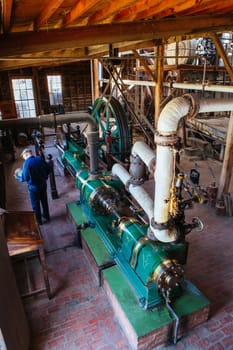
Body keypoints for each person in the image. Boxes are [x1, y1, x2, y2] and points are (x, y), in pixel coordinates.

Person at [14, 148, 50, 225]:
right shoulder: (40, 159)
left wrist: (18, 178)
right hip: (43, 184)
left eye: (24, 157)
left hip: (34, 188)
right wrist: (44, 176)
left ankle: (39, 221)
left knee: (35, 204)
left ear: (26, 155)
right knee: (44, 201)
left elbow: (25, 178)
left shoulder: (26, 163)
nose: (24, 159)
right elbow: (48, 169)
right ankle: (46, 215)